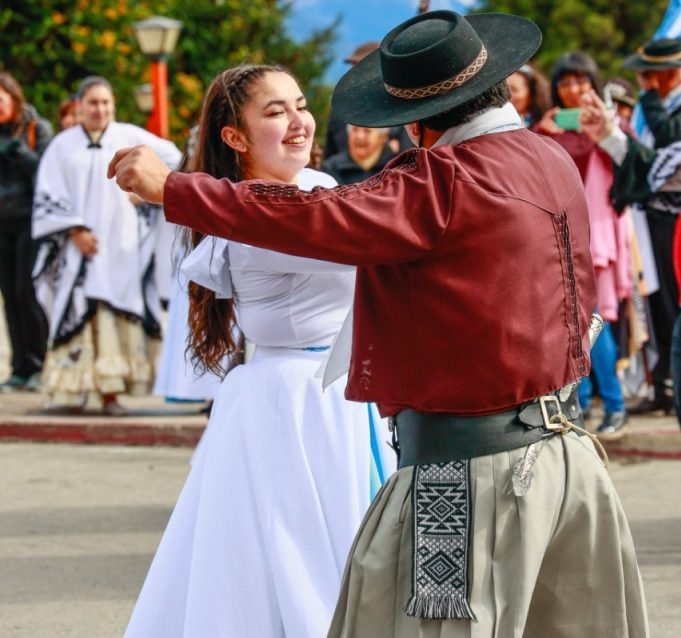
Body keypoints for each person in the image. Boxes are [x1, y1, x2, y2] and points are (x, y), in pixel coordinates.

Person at [111, 11, 649, 637]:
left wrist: (173, 188)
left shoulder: (445, 179)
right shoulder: (549, 158)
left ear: (419, 120)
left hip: (462, 471)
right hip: (567, 457)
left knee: (436, 630)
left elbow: (317, 220)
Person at [123, 65, 393, 638]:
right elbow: (361, 243)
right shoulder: (253, 219)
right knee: (297, 570)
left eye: (300, 104)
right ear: (235, 137)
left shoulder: (317, 187)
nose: (298, 122)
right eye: (275, 113)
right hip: (294, 405)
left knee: (338, 559)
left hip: (339, 397)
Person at [32, 76, 181, 414]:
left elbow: (174, 159)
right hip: (79, 250)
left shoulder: (131, 138)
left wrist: (146, 191)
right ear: (80, 106)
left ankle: (112, 395)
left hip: (122, 247)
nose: (100, 109)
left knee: (115, 316)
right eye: (93, 103)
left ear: (113, 105)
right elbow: (48, 193)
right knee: (80, 315)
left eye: (105, 102)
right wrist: (74, 231)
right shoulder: (62, 146)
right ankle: (75, 393)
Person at [534, 51, 632, 439]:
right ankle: (584, 402)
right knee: (571, 321)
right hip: (558, 233)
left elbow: (630, 161)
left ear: (593, 83)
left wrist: (603, 129)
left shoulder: (610, 124)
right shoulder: (543, 130)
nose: (574, 89)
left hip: (599, 232)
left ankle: (614, 404)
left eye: (582, 80)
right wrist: (540, 133)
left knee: (599, 319)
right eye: (566, 82)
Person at [617, 38, 681, 415]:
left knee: (673, 301)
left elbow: (670, 136)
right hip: (653, 215)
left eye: (647, 74)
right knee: (657, 304)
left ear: (666, 73)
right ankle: (663, 384)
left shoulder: (667, 105)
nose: (642, 81)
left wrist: (651, 98)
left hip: (673, 216)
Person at [0, 72, 52, 392]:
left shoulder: (36, 128)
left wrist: (19, 154)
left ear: (13, 98)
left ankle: (41, 362)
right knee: (9, 295)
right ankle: (20, 366)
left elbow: (49, 172)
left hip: (31, 222)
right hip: (2, 222)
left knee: (27, 292)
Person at [322, 124, 396, 184]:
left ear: (383, 137)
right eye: (355, 130)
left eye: (367, 131)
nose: (360, 136)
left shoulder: (395, 169)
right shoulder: (331, 168)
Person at [506, 62, 550, 127]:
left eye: (515, 89)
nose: (507, 94)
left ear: (531, 95)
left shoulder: (544, 128)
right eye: (505, 88)